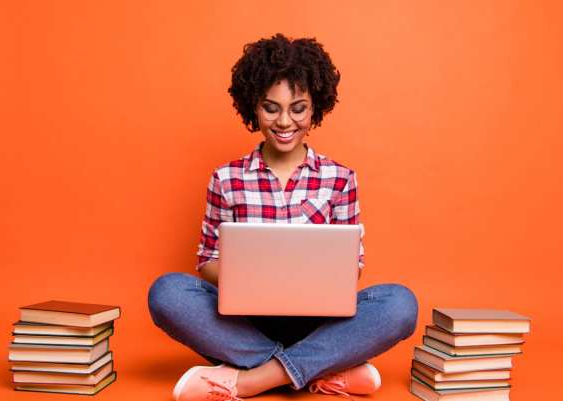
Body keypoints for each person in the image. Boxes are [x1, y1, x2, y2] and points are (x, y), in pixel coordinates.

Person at [148, 33, 418, 401]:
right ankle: (318, 371)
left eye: (298, 108)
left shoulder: (341, 178)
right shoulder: (226, 178)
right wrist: (254, 275)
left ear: (315, 108)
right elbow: (206, 261)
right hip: (243, 323)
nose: (285, 121)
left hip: (319, 325)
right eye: (270, 107)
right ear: (252, 107)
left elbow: (351, 268)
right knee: (167, 294)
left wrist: (307, 279)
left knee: (400, 305)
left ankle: (249, 380)